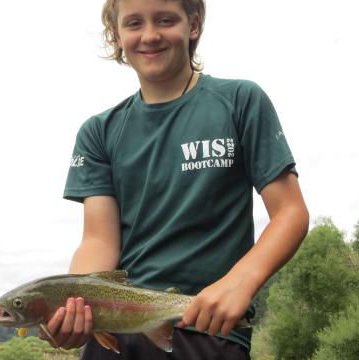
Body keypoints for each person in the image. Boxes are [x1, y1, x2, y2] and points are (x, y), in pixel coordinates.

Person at [39, 0, 309, 359]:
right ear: (116, 35)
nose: (150, 35)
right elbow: (99, 240)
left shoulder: (241, 101)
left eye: (165, 20)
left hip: (209, 330)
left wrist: (240, 282)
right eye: (134, 23)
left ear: (193, 24)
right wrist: (75, 308)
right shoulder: (98, 132)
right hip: (117, 341)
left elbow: (291, 213)